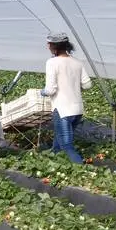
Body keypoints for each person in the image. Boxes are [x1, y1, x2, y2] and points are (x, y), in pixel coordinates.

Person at [40, 32, 92, 163]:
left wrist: (42, 92)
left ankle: (82, 171)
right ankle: (52, 159)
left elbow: (51, 89)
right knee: (59, 141)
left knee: (67, 145)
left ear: (54, 46)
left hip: (63, 110)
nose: (47, 46)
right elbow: (87, 85)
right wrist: (72, 85)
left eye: (49, 44)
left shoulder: (52, 62)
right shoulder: (77, 62)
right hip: (77, 110)